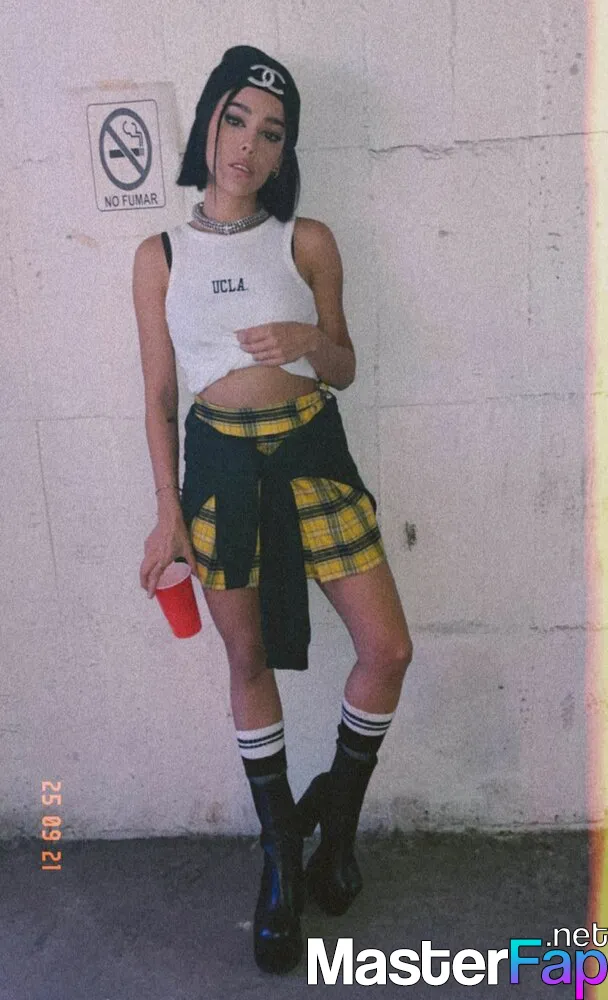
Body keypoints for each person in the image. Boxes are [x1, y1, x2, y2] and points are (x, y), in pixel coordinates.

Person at [133, 45, 413, 975]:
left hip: (311, 454)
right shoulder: (158, 256)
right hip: (218, 470)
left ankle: (336, 820)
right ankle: (280, 854)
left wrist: (307, 340)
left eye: (271, 132)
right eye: (236, 120)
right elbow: (159, 395)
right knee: (246, 658)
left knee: (387, 649)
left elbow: (345, 365)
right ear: (209, 122)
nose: (248, 145)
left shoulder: (308, 241)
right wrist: (167, 512)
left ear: (285, 150)